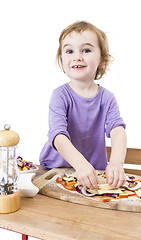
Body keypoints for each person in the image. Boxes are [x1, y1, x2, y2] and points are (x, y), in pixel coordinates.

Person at [39, 21, 127, 189]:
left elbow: (117, 130)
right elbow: (57, 135)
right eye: (69, 51)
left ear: (101, 59)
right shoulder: (59, 95)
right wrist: (80, 164)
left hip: (95, 174)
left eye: (86, 50)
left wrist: (116, 162)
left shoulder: (107, 98)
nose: (77, 57)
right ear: (62, 59)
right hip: (57, 171)